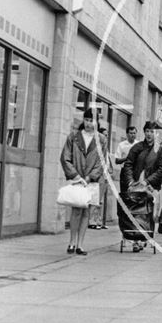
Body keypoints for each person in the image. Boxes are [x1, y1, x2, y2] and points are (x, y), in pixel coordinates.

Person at [60, 108, 107, 256]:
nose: (89, 124)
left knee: (86, 211)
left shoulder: (101, 139)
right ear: (83, 120)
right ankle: (72, 242)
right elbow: (65, 157)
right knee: (76, 210)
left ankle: (80, 244)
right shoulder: (73, 136)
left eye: (92, 121)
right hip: (77, 179)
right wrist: (76, 175)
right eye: (86, 120)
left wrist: (90, 177)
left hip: (91, 181)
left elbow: (101, 161)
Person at [121, 121, 162, 252]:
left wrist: (148, 181)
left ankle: (146, 236)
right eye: (147, 131)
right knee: (137, 212)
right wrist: (130, 181)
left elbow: (161, 169)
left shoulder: (161, 151)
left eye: (152, 131)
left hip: (152, 187)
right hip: (137, 185)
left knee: (151, 214)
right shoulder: (137, 147)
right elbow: (128, 164)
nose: (149, 134)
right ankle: (136, 240)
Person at [89, 126, 112, 230]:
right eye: (104, 135)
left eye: (107, 135)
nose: (106, 137)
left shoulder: (106, 150)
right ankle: (92, 221)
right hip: (99, 175)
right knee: (95, 199)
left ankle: (99, 221)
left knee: (100, 201)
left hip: (105, 176)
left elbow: (108, 161)